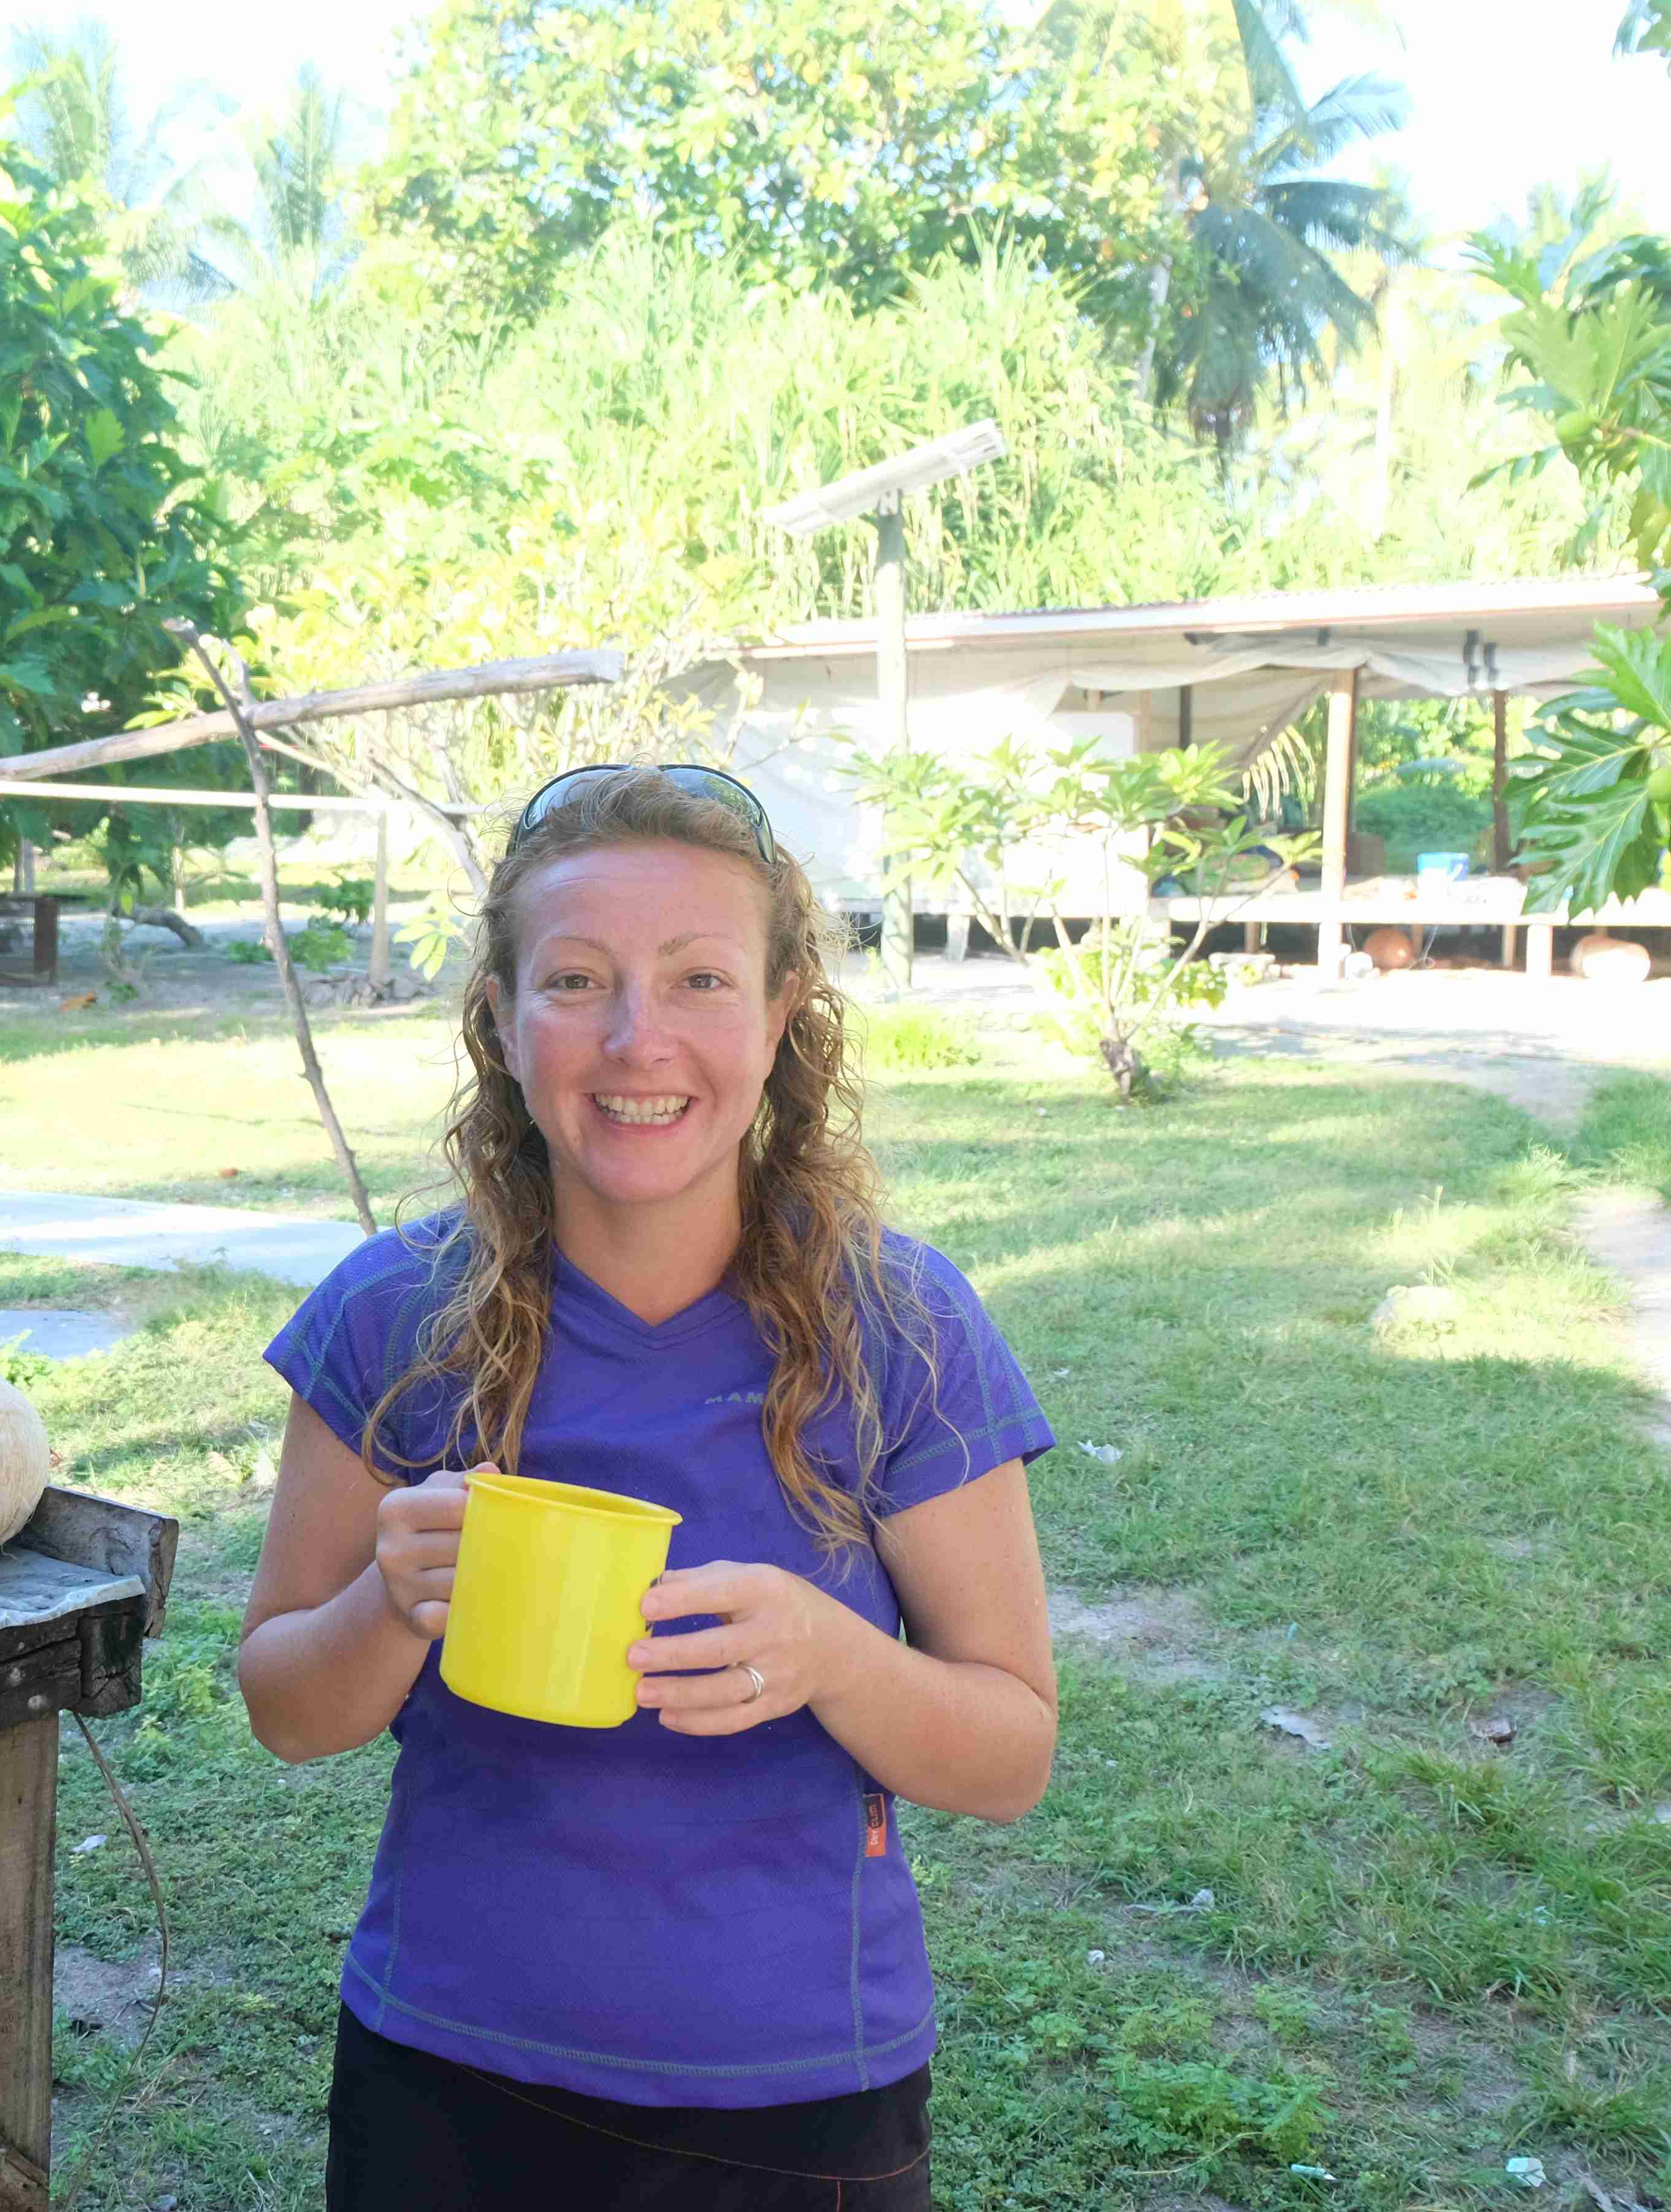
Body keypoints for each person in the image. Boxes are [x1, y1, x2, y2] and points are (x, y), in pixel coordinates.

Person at [237, 763, 1058, 2211]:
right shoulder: (390, 1314)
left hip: (798, 2097)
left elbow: (1011, 1753)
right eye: (576, 979)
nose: (637, 1038)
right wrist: (388, 1601)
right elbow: (286, 1710)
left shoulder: (902, 1324)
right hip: (450, 2071)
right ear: (502, 1019)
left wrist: (830, 1653)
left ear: (781, 1012)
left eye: (698, 978)